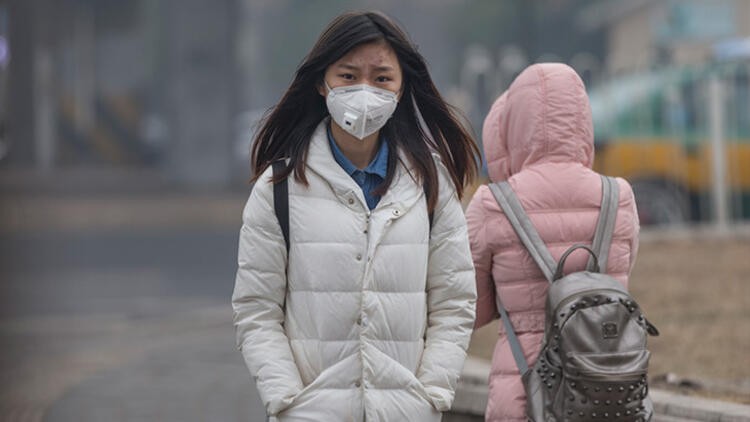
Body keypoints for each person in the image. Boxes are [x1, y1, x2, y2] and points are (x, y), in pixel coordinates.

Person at [232, 11, 480, 422]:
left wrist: (431, 393)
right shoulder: (280, 187)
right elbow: (256, 310)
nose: (365, 90)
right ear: (321, 82)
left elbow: (454, 303)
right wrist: (288, 398)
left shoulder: (431, 185)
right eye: (348, 76)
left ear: (401, 89)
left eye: (382, 78)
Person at [465, 63, 640, 422]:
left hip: (527, 391)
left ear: (511, 125)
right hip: (607, 389)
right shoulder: (618, 196)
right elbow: (616, 281)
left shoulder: (492, 203)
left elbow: (473, 310)